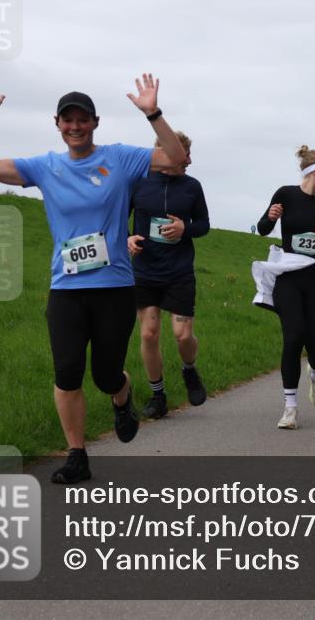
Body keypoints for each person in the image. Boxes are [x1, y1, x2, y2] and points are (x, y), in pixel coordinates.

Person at [0, 74, 188, 483]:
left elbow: (175, 160)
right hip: (66, 288)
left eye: (82, 120)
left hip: (114, 288)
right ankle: (77, 455)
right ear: (57, 123)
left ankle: (121, 397)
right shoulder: (45, 167)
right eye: (67, 120)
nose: (75, 127)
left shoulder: (120, 158)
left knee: (106, 375)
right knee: (67, 372)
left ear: (95, 122)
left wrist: (153, 114)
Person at [251, 146, 315, 429]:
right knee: (293, 337)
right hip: (288, 276)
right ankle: (290, 408)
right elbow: (264, 228)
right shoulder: (285, 194)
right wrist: (270, 216)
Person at [127, 131, 210, 419]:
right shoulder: (138, 182)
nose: (189, 160)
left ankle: (189, 370)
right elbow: (117, 219)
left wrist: (185, 229)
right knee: (149, 334)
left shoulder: (192, 186)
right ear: (166, 153)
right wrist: (127, 239)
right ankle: (158, 395)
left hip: (178, 272)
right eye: (184, 154)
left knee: (182, 334)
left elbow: (204, 224)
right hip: (145, 271)